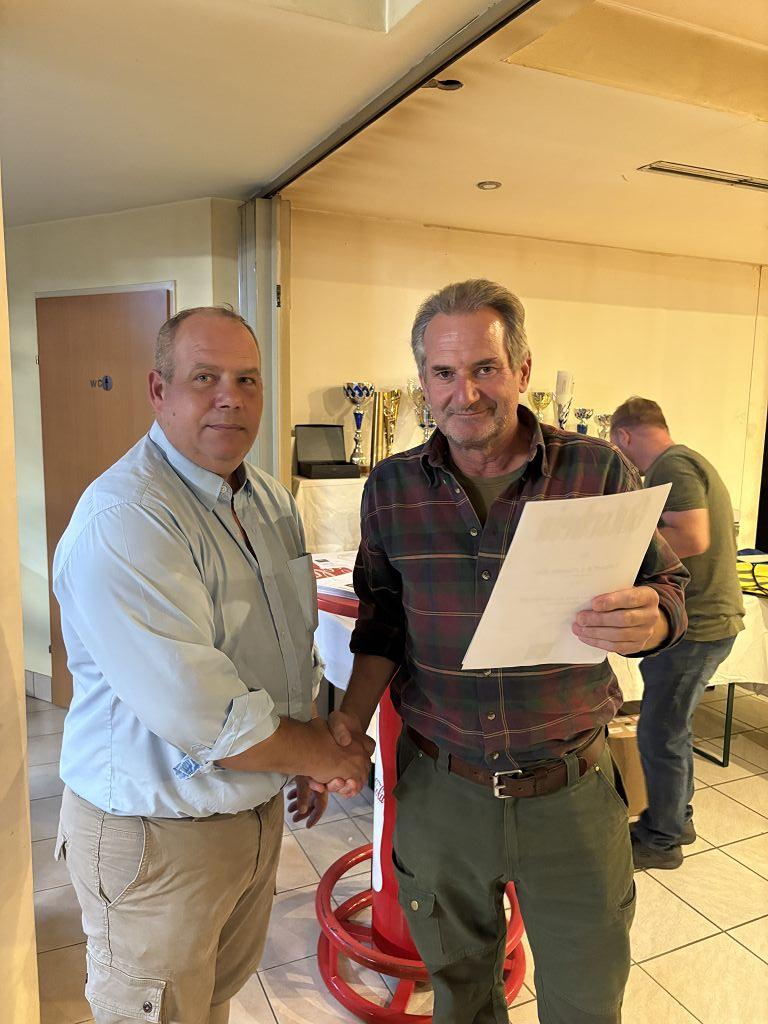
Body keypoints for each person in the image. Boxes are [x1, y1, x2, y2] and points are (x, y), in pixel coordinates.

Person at [320, 280, 688, 1024]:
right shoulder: (392, 488)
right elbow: (382, 623)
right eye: (444, 373)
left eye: (485, 368)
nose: (465, 393)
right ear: (423, 381)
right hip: (442, 792)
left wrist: (654, 620)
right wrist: (346, 726)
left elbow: (668, 586)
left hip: (570, 792)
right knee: (461, 999)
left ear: (521, 370)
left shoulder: (596, 471)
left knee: (586, 1002)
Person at [53, 306, 372, 1024]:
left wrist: (305, 750)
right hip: (155, 838)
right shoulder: (127, 518)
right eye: (205, 378)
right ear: (158, 390)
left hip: (248, 817)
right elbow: (207, 714)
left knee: (212, 1003)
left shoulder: (268, 500)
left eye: (247, 379)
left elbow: (286, 644)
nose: (231, 397)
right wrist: (320, 753)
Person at [610, 397, 744, 870]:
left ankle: (662, 839)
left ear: (623, 436)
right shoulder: (687, 460)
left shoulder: (672, 465)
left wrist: (621, 552)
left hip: (697, 625)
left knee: (659, 732)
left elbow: (693, 536)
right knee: (673, 727)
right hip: (707, 621)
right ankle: (676, 819)